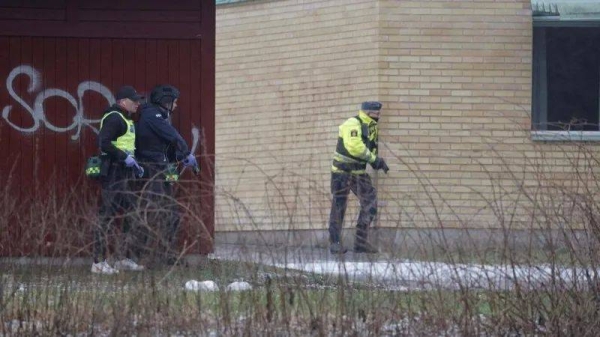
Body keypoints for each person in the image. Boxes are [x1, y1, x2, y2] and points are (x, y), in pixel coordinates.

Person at [134, 84, 198, 265]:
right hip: (152, 169)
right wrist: (186, 153)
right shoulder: (152, 116)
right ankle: (145, 256)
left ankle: (167, 255)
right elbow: (172, 136)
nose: (176, 106)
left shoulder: (156, 117)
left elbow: (162, 146)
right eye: (174, 102)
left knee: (170, 214)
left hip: (159, 168)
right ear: (165, 101)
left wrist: (180, 157)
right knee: (158, 212)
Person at [92, 85, 146, 274]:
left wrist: (135, 164)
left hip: (125, 173)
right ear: (123, 102)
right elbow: (103, 143)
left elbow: (126, 146)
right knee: (106, 216)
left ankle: (124, 258)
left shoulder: (126, 119)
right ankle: (98, 263)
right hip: (114, 173)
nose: (138, 103)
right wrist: (125, 158)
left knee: (131, 214)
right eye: (134, 100)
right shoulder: (115, 118)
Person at [328, 101, 390, 254]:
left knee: (370, 202)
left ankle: (361, 243)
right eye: (377, 114)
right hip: (341, 172)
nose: (379, 116)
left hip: (358, 173)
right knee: (339, 206)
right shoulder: (352, 123)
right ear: (368, 112)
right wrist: (374, 160)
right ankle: (334, 243)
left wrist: (377, 161)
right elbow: (354, 147)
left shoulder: (371, 127)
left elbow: (369, 148)